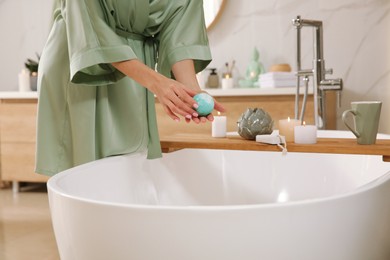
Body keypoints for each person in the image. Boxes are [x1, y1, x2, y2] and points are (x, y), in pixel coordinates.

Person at [35, 0, 225, 176]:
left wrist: (191, 91)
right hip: (85, 64)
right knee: (84, 177)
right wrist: (157, 82)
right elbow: (90, 24)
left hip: (136, 74)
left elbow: (181, 25)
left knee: (129, 175)